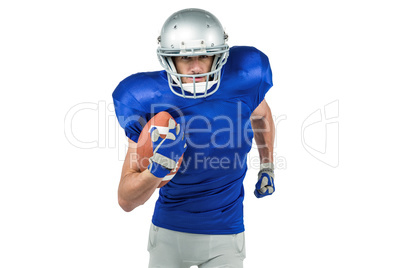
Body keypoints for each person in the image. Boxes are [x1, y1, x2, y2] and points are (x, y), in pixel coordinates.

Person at [112, 8, 276, 268]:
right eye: (185, 58)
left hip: (227, 233)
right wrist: (158, 169)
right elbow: (126, 200)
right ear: (168, 60)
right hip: (168, 233)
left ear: (220, 54)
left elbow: (262, 114)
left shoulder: (245, 77)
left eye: (205, 54)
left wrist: (267, 165)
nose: (197, 66)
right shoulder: (145, 99)